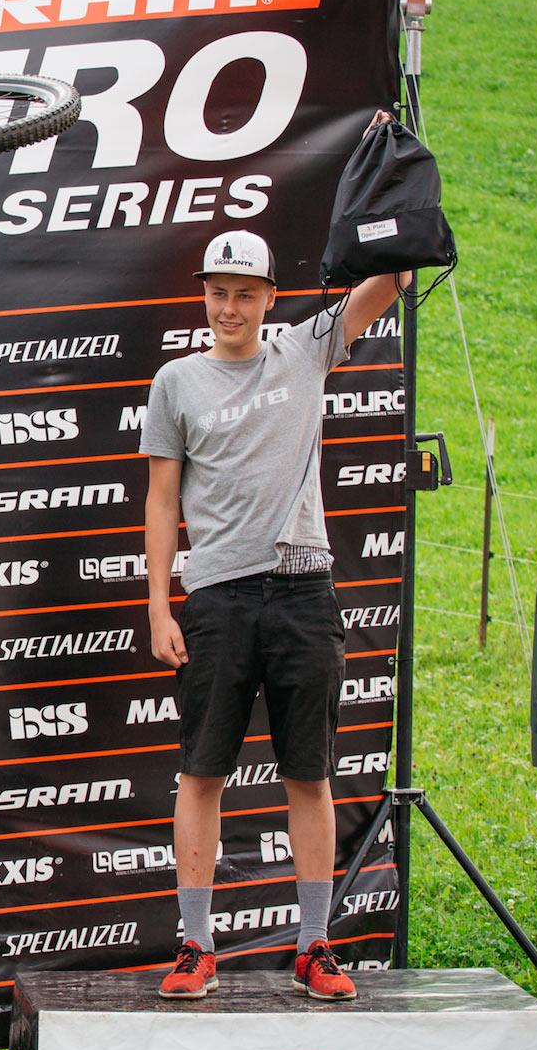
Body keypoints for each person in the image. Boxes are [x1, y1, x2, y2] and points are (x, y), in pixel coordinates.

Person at [141, 226, 406, 1001]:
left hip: (303, 589)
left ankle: (315, 944)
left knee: (310, 775)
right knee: (201, 774)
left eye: (245, 294)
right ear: (204, 296)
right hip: (218, 595)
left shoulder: (304, 348)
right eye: (218, 293)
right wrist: (160, 604)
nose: (230, 307)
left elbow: (386, 282)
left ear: (269, 299)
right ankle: (195, 946)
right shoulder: (177, 381)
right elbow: (161, 500)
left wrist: (390, 171)